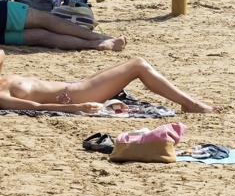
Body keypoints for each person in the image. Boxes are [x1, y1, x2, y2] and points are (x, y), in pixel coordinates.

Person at [0, 53, 212, 113]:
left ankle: (189, 102)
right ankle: (190, 104)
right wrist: (76, 108)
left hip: (78, 86)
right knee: (138, 65)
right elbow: (36, 108)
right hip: (78, 95)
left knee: (136, 64)